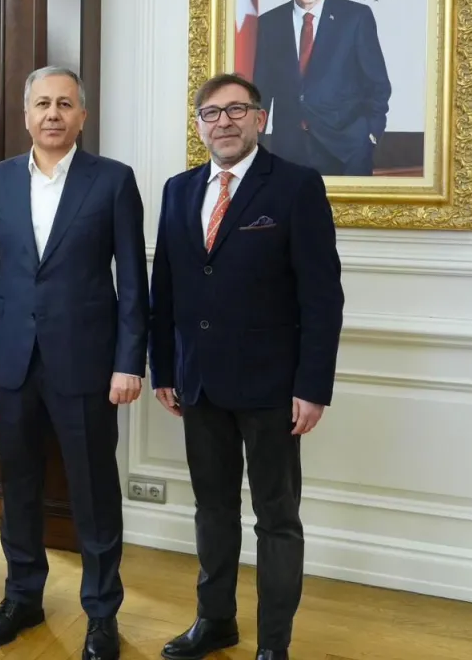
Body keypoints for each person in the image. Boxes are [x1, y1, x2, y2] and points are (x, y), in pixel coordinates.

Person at [149, 73, 344, 660]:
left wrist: (313, 386)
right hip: (198, 384)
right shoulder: (179, 190)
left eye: (237, 110)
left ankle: (274, 644)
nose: (224, 122)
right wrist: (164, 369)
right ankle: (215, 622)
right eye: (211, 113)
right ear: (199, 126)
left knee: (276, 519)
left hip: (273, 388)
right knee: (212, 511)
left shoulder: (296, 186)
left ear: (260, 119)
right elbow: (166, 289)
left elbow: (321, 296)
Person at [0, 66, 148, 660]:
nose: (52, 114)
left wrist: (129, 361)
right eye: (42, 103)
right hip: (12, 361)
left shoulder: (113, 181)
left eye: (65, 104)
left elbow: (132, 281)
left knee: (93, 490)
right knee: (18, 485)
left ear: (82, 116)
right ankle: (22, 597)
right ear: (26, 115)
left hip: (87, 363)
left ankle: (101, 613)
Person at [252, 0, 391, 176]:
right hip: (288, 149)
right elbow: (262, 89)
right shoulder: (269, 23)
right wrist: (255, 142)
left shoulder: (356, 17)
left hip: (347, 148)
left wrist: (371, 134)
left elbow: (377, 84)